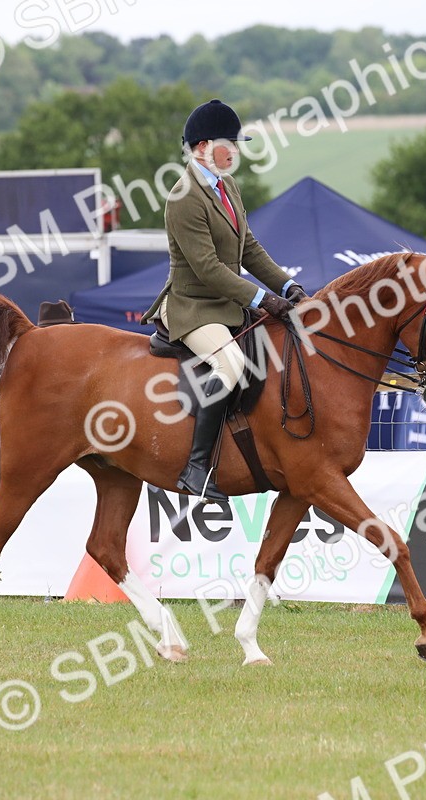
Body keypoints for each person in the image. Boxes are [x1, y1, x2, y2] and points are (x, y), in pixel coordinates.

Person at [142, 99, 308, 501]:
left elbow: (248, 248)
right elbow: (208, 269)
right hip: (193, 306)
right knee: (230, 364)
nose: (234, 152)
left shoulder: (227, 186)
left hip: (226, 305)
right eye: (228, 145)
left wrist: (288, 287)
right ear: (202, 147)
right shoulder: (184, 198)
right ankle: (197, 468)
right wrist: (263, 300)